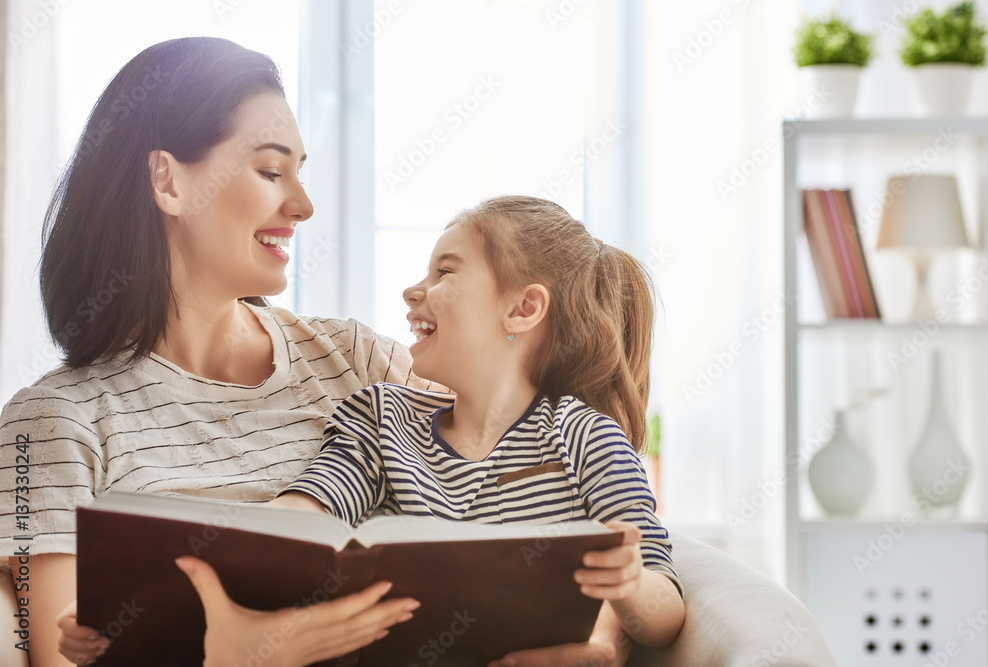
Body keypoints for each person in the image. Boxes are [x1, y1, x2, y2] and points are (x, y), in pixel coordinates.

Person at [0, 37, 636, 667]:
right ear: (167, 180)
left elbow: (554, 496)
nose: (302, 206)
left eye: (300, 173)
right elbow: (59, 657)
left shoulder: (355, 361)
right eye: (272, 172)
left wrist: (600, 639)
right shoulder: (51, 426)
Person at [271, 195, 687, 654]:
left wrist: (630, 583)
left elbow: (665, 614)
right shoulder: (380, 418)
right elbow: (304, 520)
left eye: (444, 272)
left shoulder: (587, 438)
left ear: (523, 309)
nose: (413, 291)